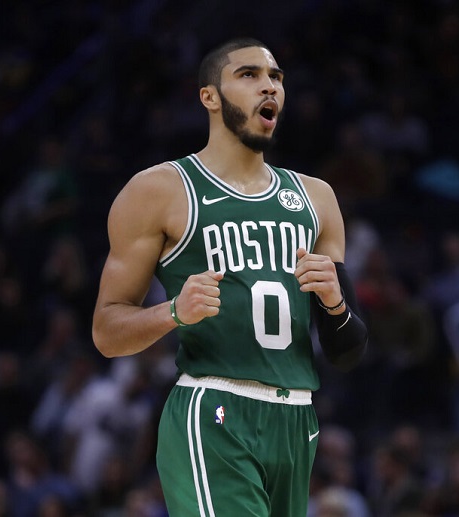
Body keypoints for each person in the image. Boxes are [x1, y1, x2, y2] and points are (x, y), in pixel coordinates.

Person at [91, 37, 368, 516]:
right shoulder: (160, 190)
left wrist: (335, 303)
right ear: (210, 97)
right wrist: (173, 311)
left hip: (296, 418)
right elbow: (106, 332)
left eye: (276, 77)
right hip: (214, 410)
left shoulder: (317, 198)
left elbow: (347, 350)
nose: (269, 87)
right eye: (249, 75)